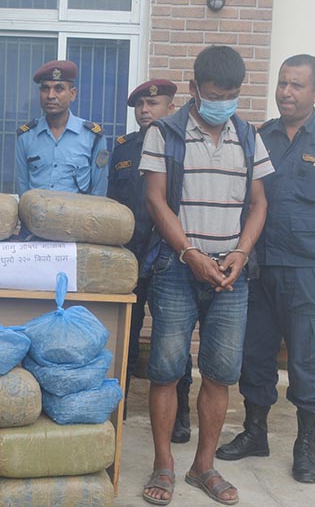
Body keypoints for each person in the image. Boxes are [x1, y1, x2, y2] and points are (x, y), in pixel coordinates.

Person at [216, 54, 315, 484]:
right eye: (282, 83)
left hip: (310, 270)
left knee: (307, 358)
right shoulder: (259, 136)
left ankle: (305, 447)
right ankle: (255, 433)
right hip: (261, 265)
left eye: (297, 86)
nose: (286, 92)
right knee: (255, 353)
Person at [139, 45, 273, 505]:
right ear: (195, 89)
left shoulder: (249, 136)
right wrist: (190, 252)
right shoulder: (164, 132)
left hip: (230, 275)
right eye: (216, 94)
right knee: (166, 369)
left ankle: (203, 466)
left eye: (232, 95)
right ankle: (164, 465)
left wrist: (240, 251)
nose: (224, 103)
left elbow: (259, 204)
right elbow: (156, 200)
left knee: (220, 373)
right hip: (178, 269)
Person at [108, 79, 196, 444]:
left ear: (170, 106)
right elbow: (113, 206)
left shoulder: (184, 147)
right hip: (130, 256)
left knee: (172, 338)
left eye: (153, 103)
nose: (145, 110)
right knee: (125, 335)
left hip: (169, 257)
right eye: (140, 105)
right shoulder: (123, 148)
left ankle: (181, 413)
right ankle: (119, 408)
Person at [15, 60, 109, 196]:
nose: (50, 95)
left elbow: (99, 192)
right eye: (45, 88)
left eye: (59, 89)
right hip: (37, 215)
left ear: (72, 94)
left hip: (77, 216)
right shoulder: (26, 136)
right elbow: (22, 188)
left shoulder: (93, 137)